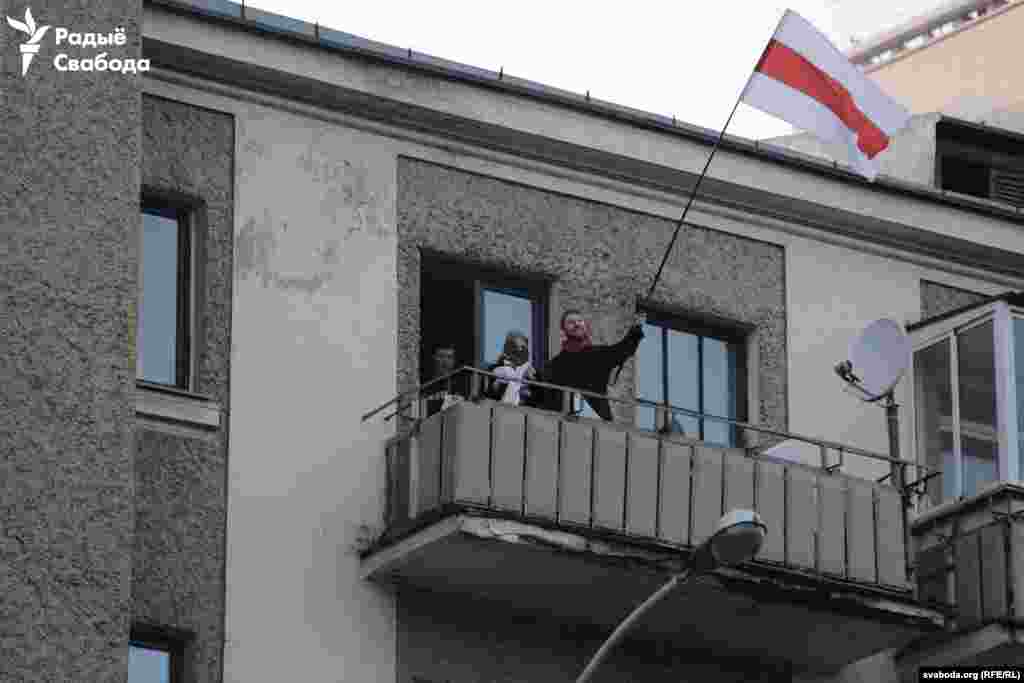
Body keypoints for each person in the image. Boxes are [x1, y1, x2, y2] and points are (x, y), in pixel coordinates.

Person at [537, 310, 644, 421]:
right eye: (571, 322)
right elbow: (544, 394)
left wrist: (635, 329)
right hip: (565, 423)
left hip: (597, 421)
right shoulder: (555, 365)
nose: (577, 324)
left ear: (586, 326)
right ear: (563, 330)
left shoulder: (598, 355)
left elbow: (623, 349)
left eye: (579, 321)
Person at [484, 331, 536, 406]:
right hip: (500, 408)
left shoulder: (532, 371)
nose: (522, 352)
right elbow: (490, 392)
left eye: (525, 348)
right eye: (518, 348)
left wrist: (527, 392)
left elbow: (536, 397)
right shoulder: (494, 369)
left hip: (524, 410)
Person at [423, 344, 467, 416]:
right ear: (433, 358)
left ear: (454, 361)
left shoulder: (460, 386)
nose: (445, 361)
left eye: (449, 357)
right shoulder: (424, 385)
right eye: (441, 356)